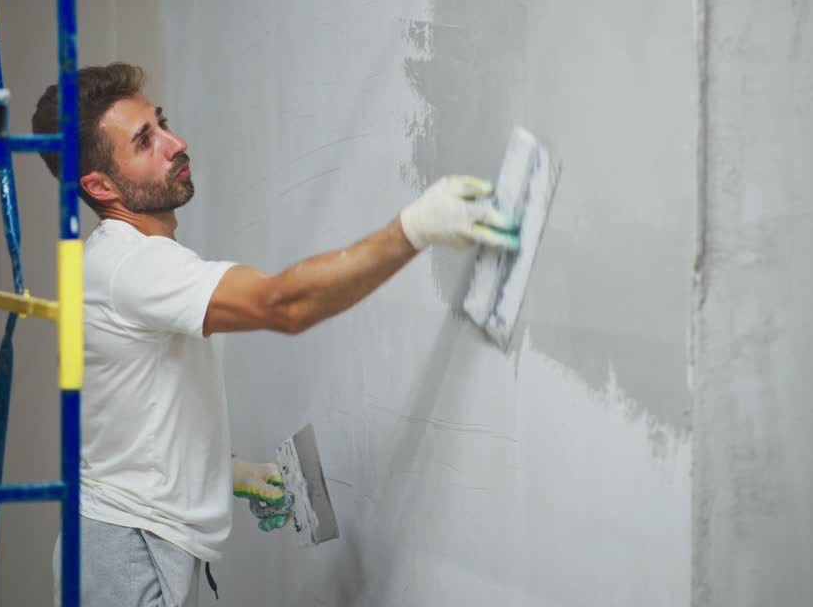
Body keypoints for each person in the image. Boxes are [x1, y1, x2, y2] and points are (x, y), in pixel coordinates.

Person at [35, 62, 518, 606]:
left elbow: (124, 411)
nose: (176, 143)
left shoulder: (115, 263)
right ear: (100, 185)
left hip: (127, 539)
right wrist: (416, 229)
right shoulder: (132, 267)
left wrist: (224, 472)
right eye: (145, 141)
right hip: (123, 555)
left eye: (162, 123)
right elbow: (283, 305)